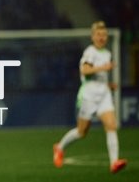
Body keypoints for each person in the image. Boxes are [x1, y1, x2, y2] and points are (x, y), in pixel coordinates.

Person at [53, 21, 127, 173]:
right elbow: (84, 71)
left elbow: (99, 77)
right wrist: (103, 67)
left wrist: (108, 85)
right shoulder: (90, 52)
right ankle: (59, 147)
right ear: (92, 37)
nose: (102, 37)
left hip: (104, 95)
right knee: (82, 132)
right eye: (99, 35)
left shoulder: (107, 53)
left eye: (104, 35)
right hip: (89, 96)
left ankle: (114, 162)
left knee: (111, 125)